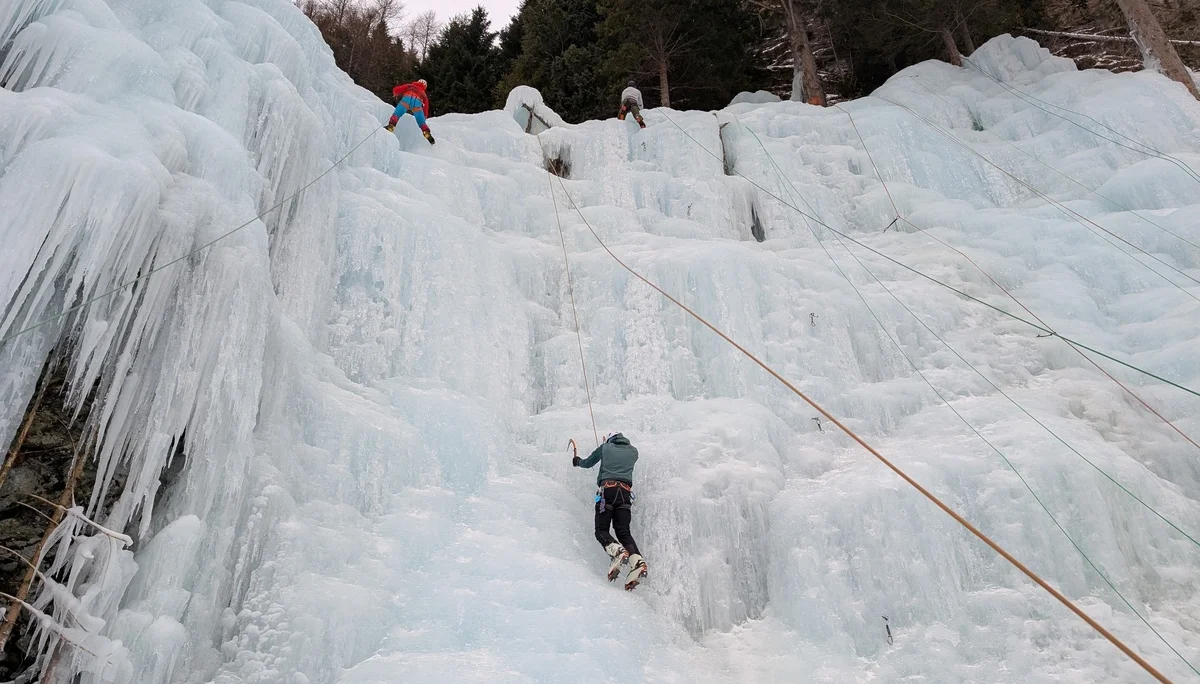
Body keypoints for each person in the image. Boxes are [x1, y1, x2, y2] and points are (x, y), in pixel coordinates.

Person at [573, 432, 648, 590]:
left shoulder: (605, 448)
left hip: (607, 492)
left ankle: (617, 551)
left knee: (601, 530)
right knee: (623, 531)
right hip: (625, 495)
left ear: (610, 439)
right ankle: (637, 561)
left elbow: (588, 462)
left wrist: (577, 461)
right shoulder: (634, 451)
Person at [385, 79, 435, 144]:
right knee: (421, 122)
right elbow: (426, 107)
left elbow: (397, 90)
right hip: (418, 102)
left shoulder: (410, 86)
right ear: (425, 87)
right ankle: (426, 132)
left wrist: (395, 93)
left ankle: (391, 126)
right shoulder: (423, 94)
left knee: (397, 114)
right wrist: (424, 116)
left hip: (407, 99)